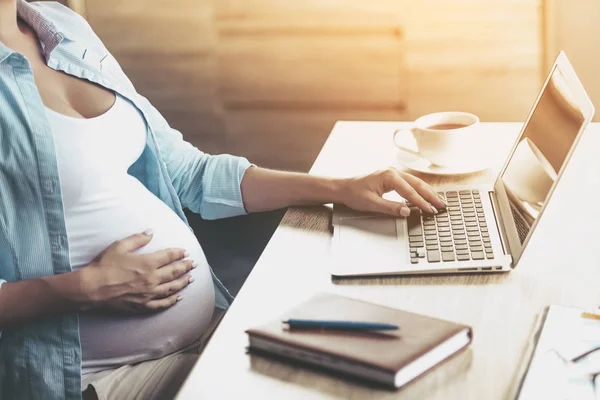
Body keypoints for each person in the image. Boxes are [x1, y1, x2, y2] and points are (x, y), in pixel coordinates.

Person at [0, 1, 446, 399]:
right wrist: (87, 288)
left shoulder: (60, 26)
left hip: (207, 325)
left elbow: (190, 172)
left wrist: (337, 188)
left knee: (389, 351)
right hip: (95, 378)